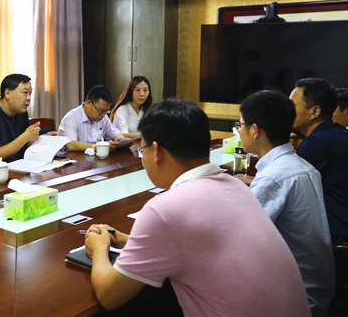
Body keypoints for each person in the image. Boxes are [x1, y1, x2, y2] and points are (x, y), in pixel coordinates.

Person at [84, 99, 310, 316]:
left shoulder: (163, 210)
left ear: (156, 151)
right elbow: (196, 243)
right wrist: (128, 241)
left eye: (143, 150)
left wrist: (99, 248)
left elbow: (108, 296)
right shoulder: (235, 185)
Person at [239, 91, 335, 317]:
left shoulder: (273, 177)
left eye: (240, 125)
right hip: (317, 289)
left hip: (293, 297)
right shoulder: (303, 166)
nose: (239, 131)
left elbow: (242, 241)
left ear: (255, 130)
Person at [289, 78, 348, 244]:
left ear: (314, 112)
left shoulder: (317, 142)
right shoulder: (336, 132)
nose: (286, 111)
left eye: (292, 106)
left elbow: (287, 187)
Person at [0, 74, 51, 168]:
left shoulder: (21, 112)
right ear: (7, 93)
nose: (28, 98)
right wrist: (26, 136)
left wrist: (44, 139)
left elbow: (25, 143)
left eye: (30, 93)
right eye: (25, 93)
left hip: (21, 167)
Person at [58, 85, 127, 152]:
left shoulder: (103, 118)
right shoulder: (71, 118)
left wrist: (123, 141)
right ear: (88, 103)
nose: (103, 115)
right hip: (73, 158)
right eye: (101, 111)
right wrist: (98, 147)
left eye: (106, 111)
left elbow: (115, 134)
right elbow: (70, 145)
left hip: (95, 157)